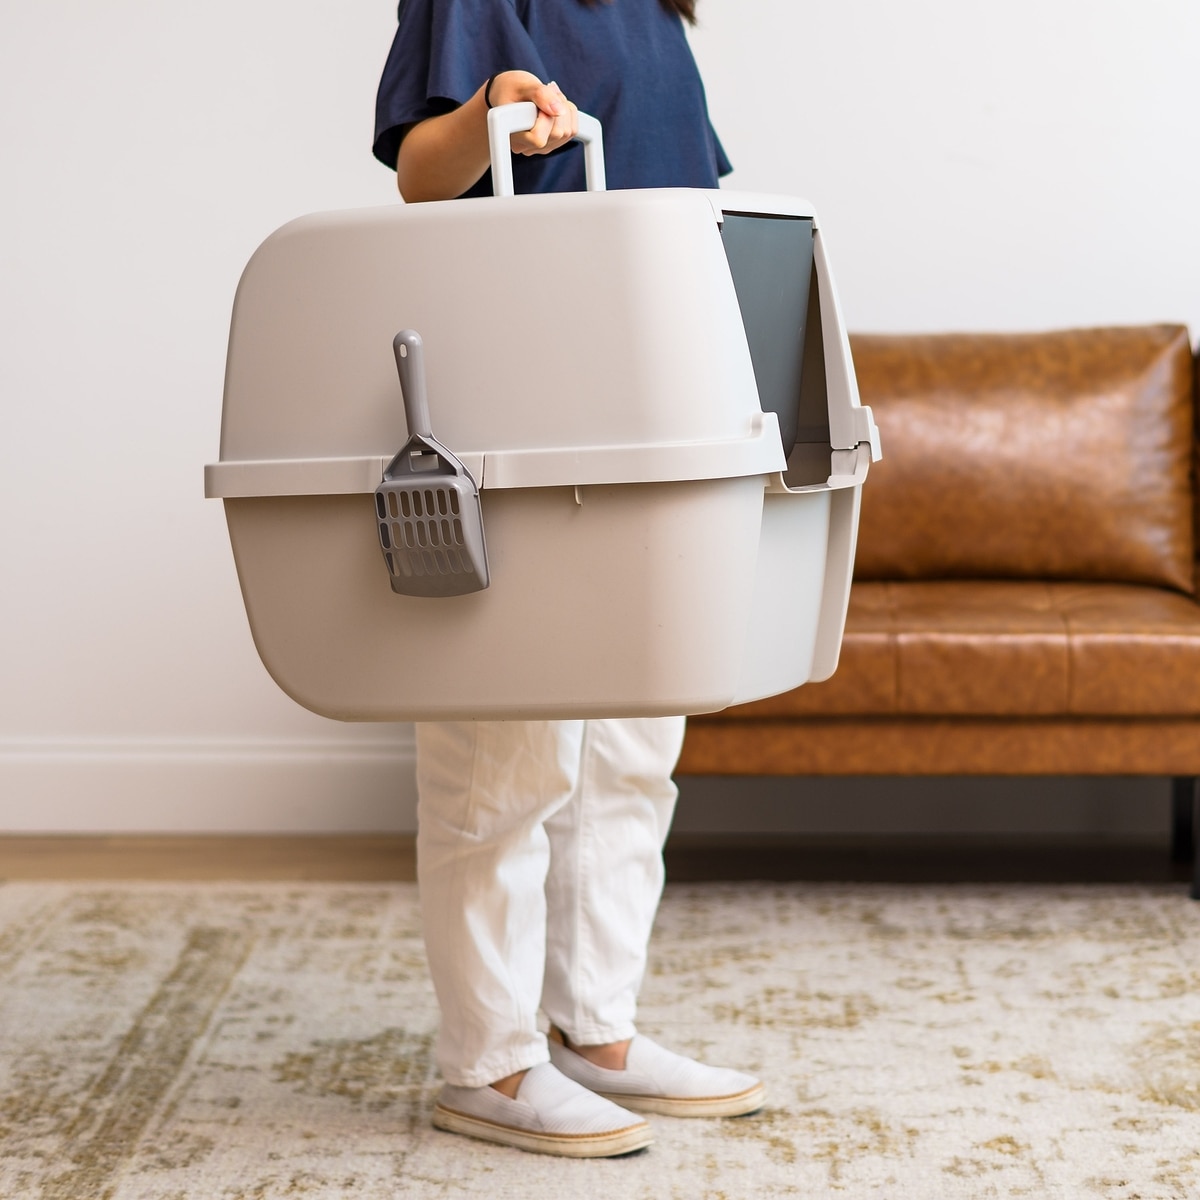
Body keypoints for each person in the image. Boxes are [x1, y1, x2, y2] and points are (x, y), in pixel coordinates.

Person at [373, 0, 764, 1158]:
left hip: (652, 397)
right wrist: (491, 111)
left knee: (634, 742)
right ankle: (489, 1061)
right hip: (526, 393)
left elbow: (686, 213)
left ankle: (597, 1030)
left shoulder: (656, 16)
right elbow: (419, 174)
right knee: (505, 745)